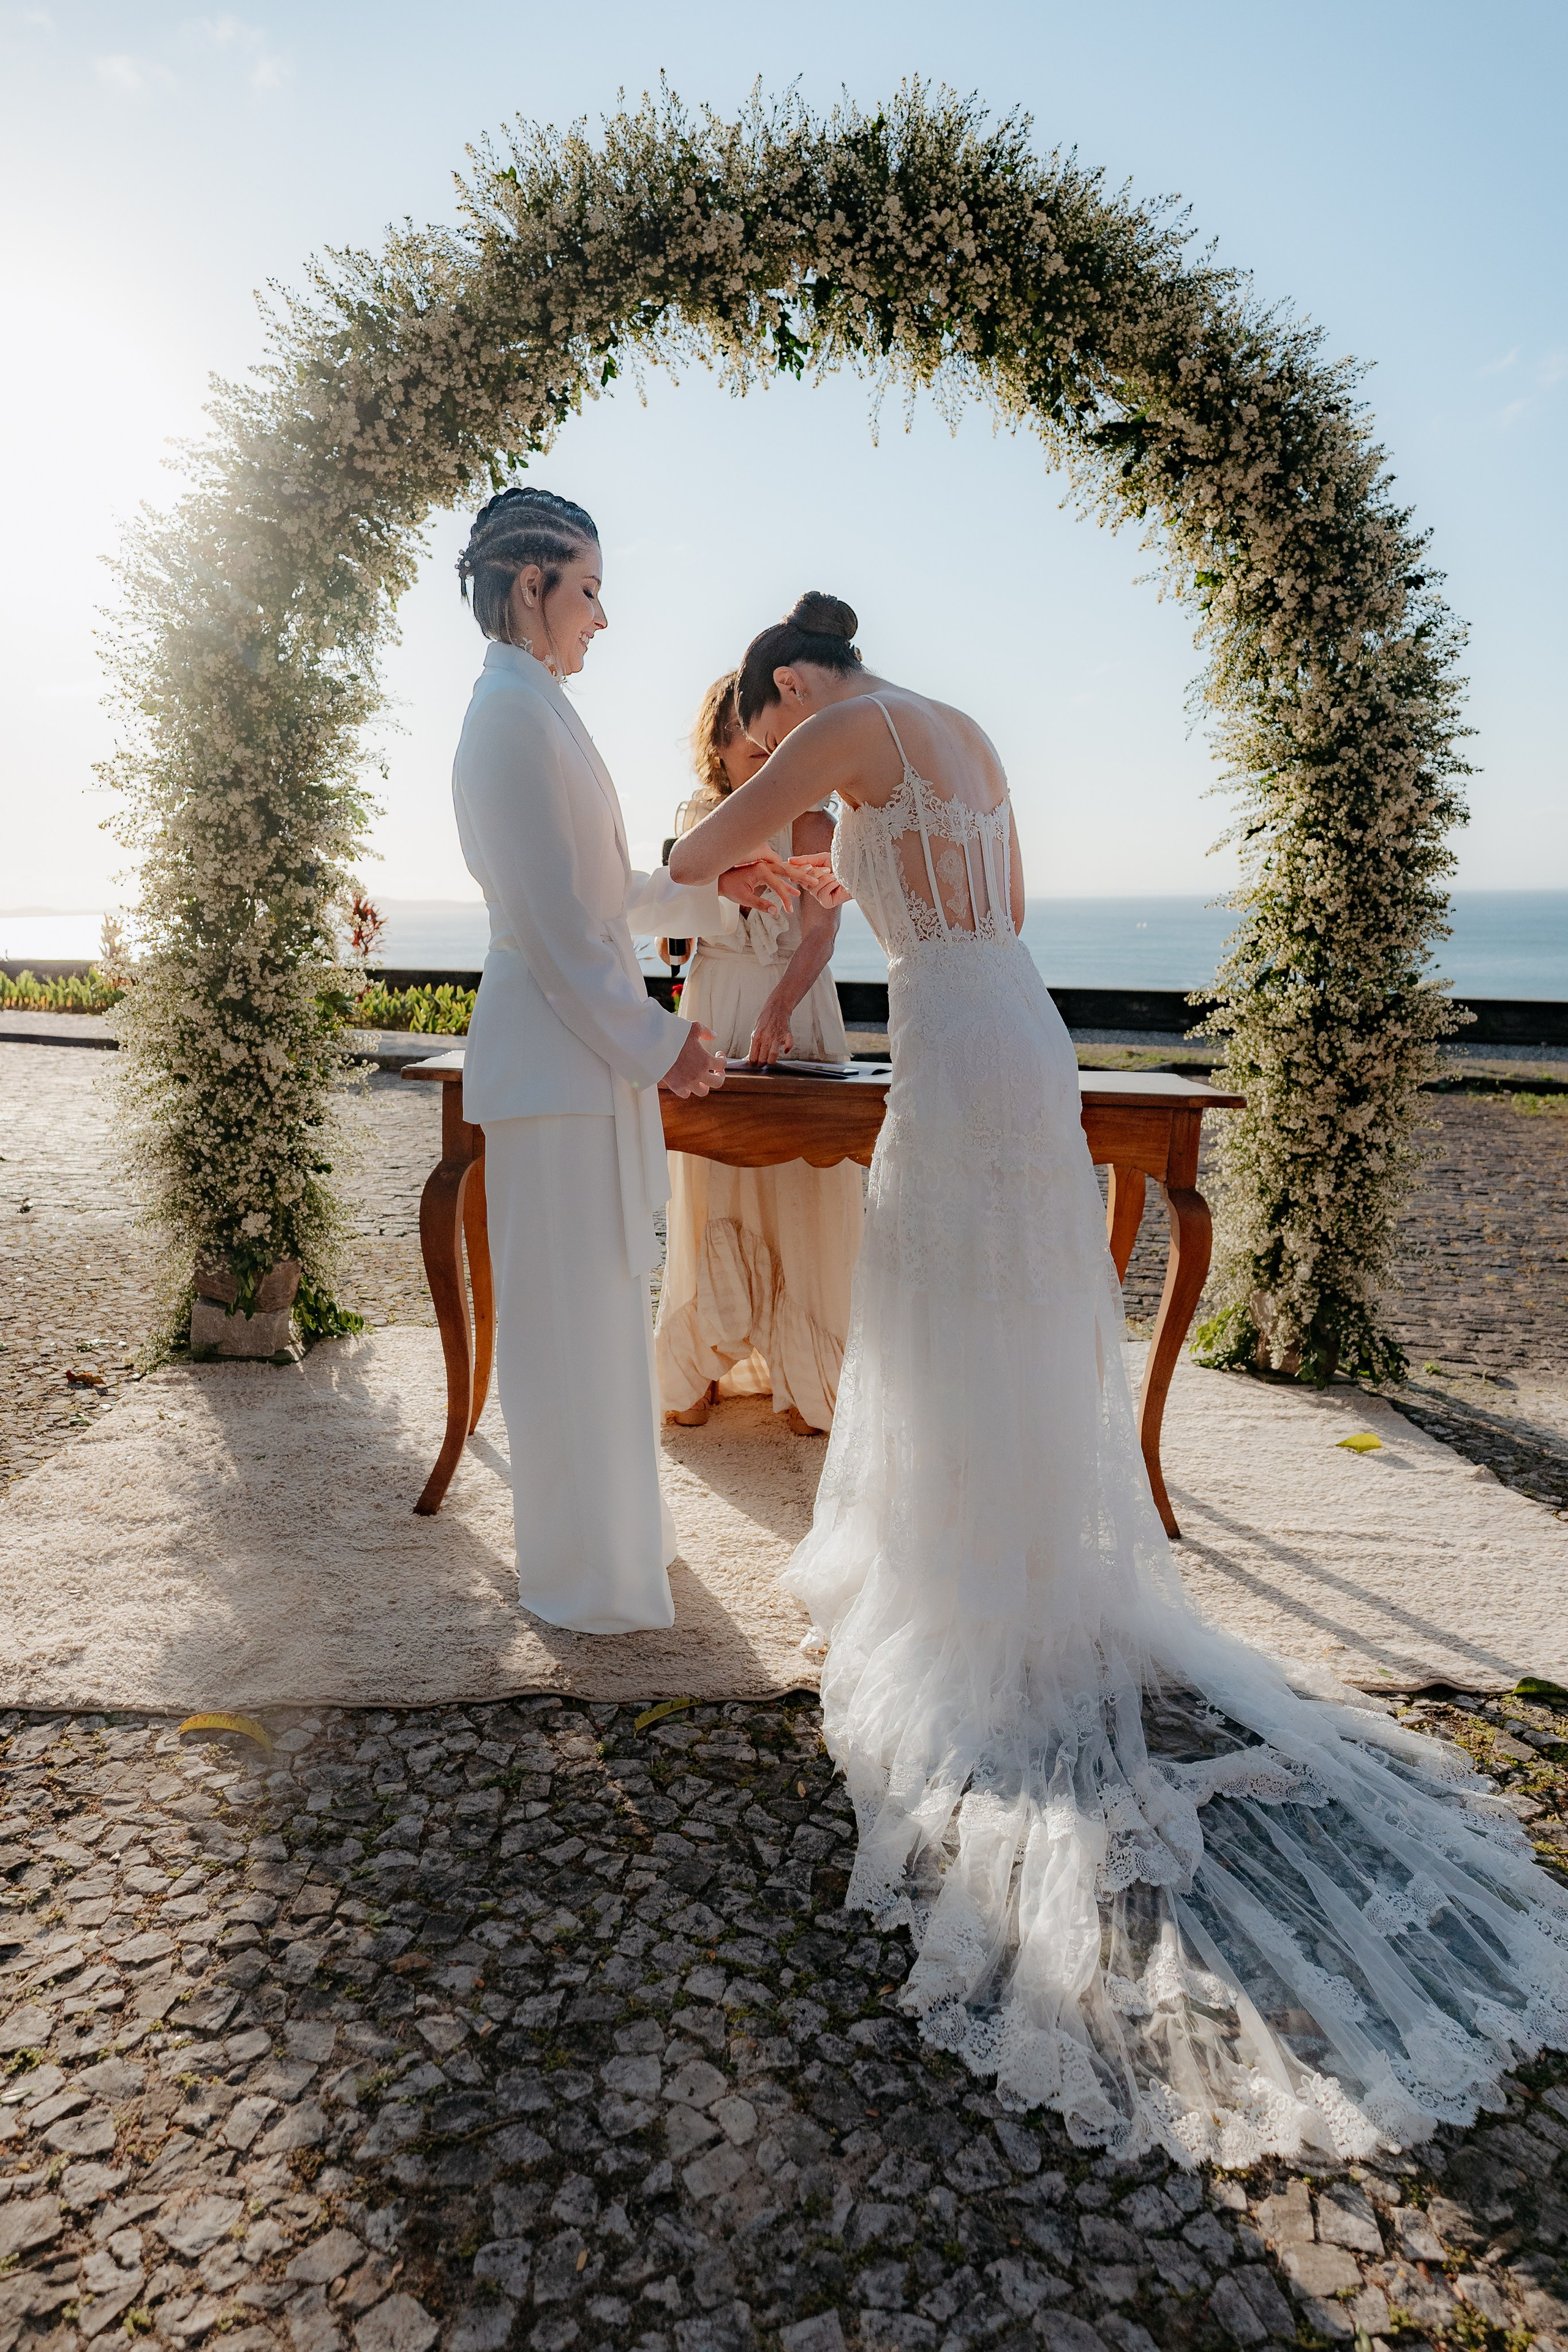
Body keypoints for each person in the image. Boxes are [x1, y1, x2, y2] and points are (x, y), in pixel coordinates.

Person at [671, 590, 1568, 2163]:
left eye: (768, 728)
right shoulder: (960, 729)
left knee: (945, 1296)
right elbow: (994, 895)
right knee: (1014, 1296)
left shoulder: (828, 727)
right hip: (1017, 1017)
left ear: (786, 682)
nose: (779, 760)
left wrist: (766, 836)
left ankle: (962, 1575)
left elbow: (687, 861)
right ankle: (1021, 1547)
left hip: (946, 1036)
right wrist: (839, 865)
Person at [450, 488, 798, 1635]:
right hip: (554, 1070)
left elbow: (606, 896)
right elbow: (554, 926)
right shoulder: (504, 717)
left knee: (601, 1313)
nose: (602, 616)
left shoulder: (540, 708)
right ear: (528, 588)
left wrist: (712, 891)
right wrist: (663, 1045)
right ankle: (580, 1577)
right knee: (563, 1329)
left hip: (576, 1064)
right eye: (587, 590)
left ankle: (618, 1552)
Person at [655, 671, 863, 1436]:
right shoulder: (698, 819)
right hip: (713, 999)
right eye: (748, 734)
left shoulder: (814, 820)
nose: (765, 747)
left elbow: (820, 932)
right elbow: (670, 931)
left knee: (802, 1188)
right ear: (718, 738)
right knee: (707, 1181)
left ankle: (807, 1373)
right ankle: (700, 1359)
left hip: (795, 1004)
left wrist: (779, 1006)